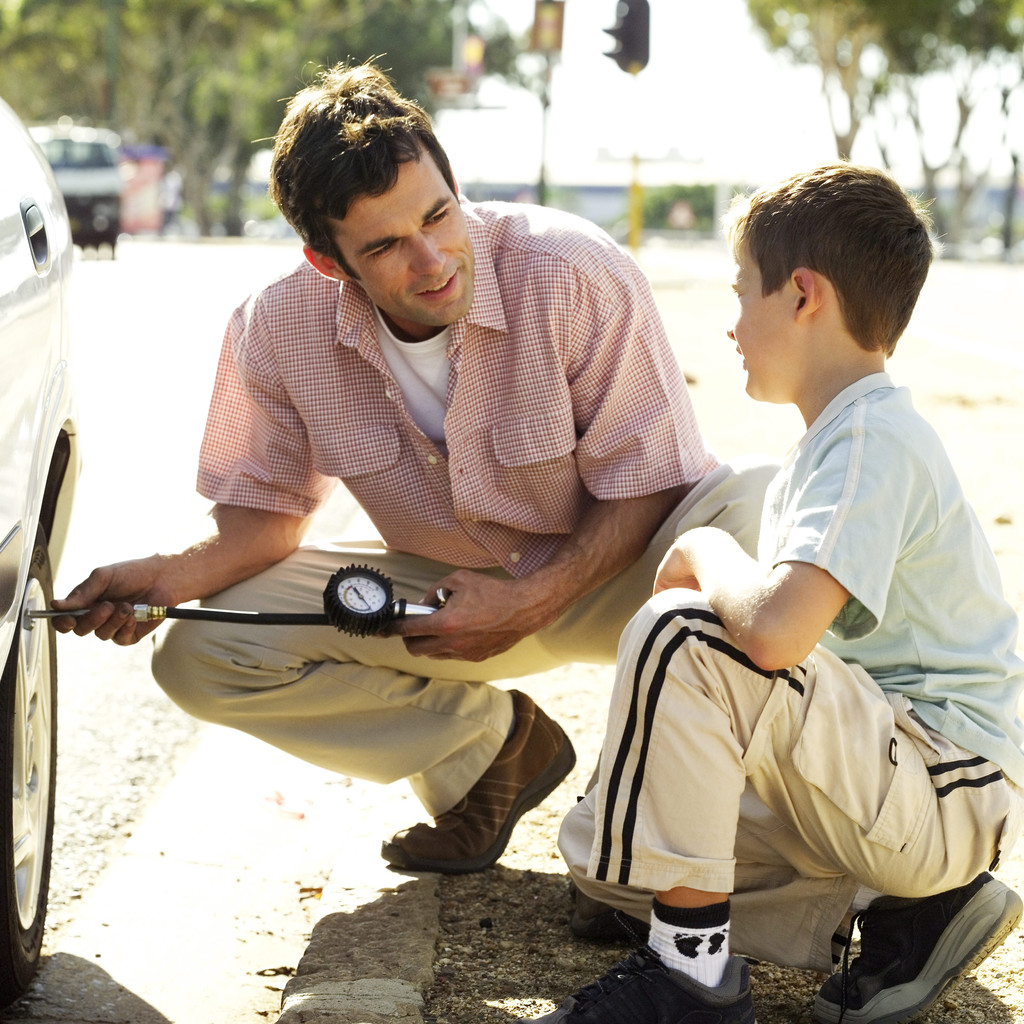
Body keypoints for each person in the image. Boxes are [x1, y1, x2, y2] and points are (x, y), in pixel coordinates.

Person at [53, 62, 775, 876]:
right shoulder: (277, 329)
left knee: (759, 511)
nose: (432, 260)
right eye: (387, 246)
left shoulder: (572, 271)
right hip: (449, 600)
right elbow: (266, 520)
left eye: (439, 215)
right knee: (199, 652)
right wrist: (160, 577)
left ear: (454, 184)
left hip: (632, 575)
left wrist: (529, 598)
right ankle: (489, 753)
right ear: (329, 262)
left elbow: (649, 482)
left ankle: (748, 842)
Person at [527, 163, 1024, 1024]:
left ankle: (690, 978)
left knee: (687, 632)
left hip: (947, 787)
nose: (731, 326)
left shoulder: (872, 436)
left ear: (802, 295)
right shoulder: (833, 441)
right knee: (605, 852)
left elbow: (775, 638)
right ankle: (902, 914)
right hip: (887, 778)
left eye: (740, 294)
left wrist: (704, 545)